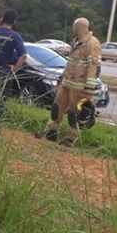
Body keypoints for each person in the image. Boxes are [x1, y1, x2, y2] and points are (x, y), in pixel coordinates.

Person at [38, 18, 101, 146]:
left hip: (80, 87)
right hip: (67, 83)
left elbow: (94, 67)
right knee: (57, 108)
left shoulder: (92, 43)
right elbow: (70, 63)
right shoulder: (76, 42)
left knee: (74, 113)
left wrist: (88, 90)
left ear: (81, 27)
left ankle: (70, 139)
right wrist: (61, 79)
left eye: (74, 26)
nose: (73, 29)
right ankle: (51, 131)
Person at [0, 9, 27, 133]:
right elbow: (23, 56)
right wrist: (14, 70)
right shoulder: (14, 36)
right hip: (4, 73)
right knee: (0, 103)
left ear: (2, 19)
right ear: (14, 21)